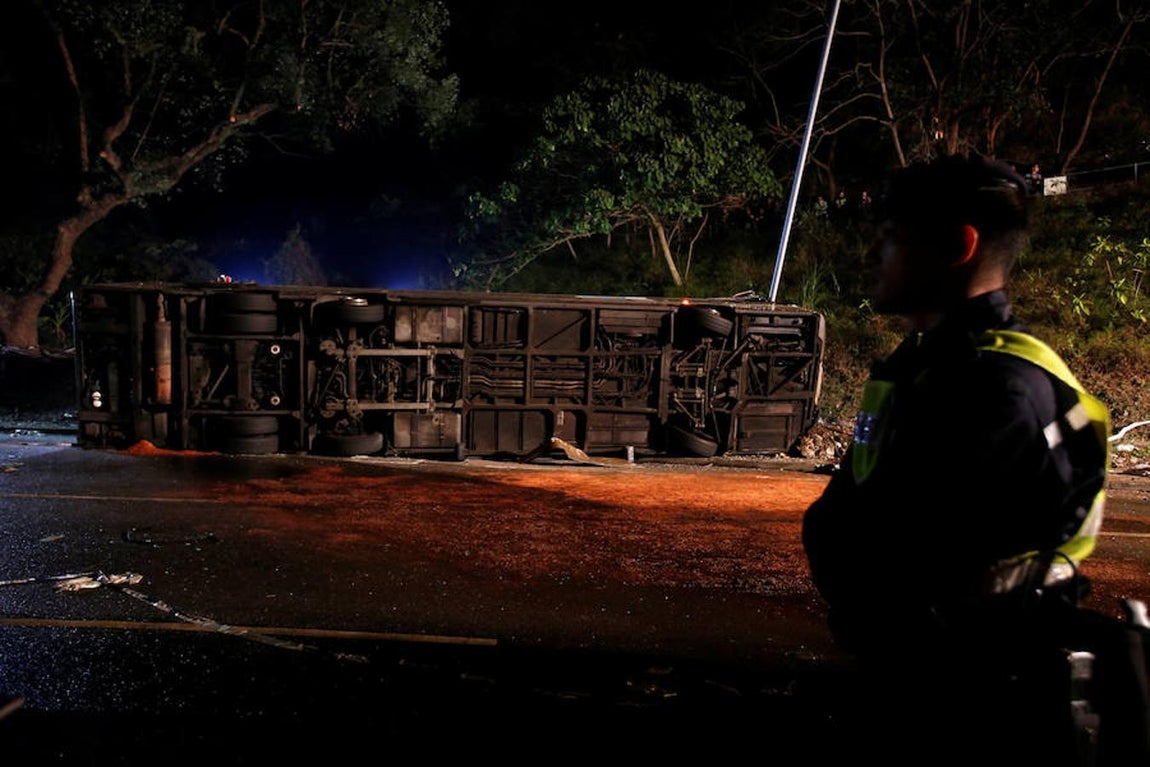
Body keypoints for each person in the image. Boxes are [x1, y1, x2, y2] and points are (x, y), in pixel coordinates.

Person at [801, 153, 1114, 764]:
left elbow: (918, 557)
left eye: (889, 239)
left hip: (978, 705)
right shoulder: (926, 368)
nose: (874, 257)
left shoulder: (994, 387)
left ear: (957, 244)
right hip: (934, 680)